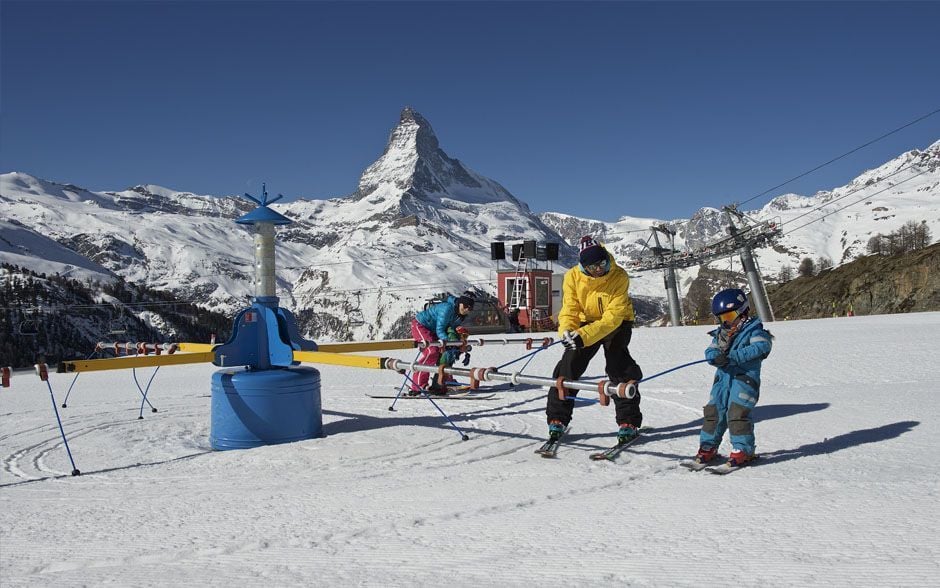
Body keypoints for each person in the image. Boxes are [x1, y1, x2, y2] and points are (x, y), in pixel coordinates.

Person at [546, 236, 643, 443]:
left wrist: (584, 336)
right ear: (583, 266)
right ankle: (557, 418)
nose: (599, 269)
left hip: (617, 323)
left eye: (602, 263)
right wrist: (567, 331)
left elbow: (612, 317)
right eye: (593, 266)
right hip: (584, 322)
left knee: (618, 366)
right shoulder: (572, 277)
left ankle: (629, 421)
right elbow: (570, 308)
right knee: (568, 366)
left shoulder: (619, 276)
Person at [692, 288, 774, 468]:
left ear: (742, 312)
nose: (725, 322)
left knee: (737, 413)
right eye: (722, 318)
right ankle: (708, 447)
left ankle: (743, 450)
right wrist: (714, 356)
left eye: (729, 316)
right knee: (714, 412)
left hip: (744, 380)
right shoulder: (721, 334)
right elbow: (711, 350)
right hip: (722, 381)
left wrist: (733, 357)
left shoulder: (754, 331)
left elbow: (761, 347)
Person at [409, 291, 475, 395]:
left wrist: (457, 343)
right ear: (460, 303)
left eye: (470, 308)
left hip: (433, 330)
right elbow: (440, 329)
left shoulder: (460, 315)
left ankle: (442, 382)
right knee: (432, 352)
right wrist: (450, 342)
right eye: (466, 306)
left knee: (446, 354)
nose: (467, 309)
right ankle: (418, 385)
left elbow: (450, 329)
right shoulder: (447, 309)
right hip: (421, 325)